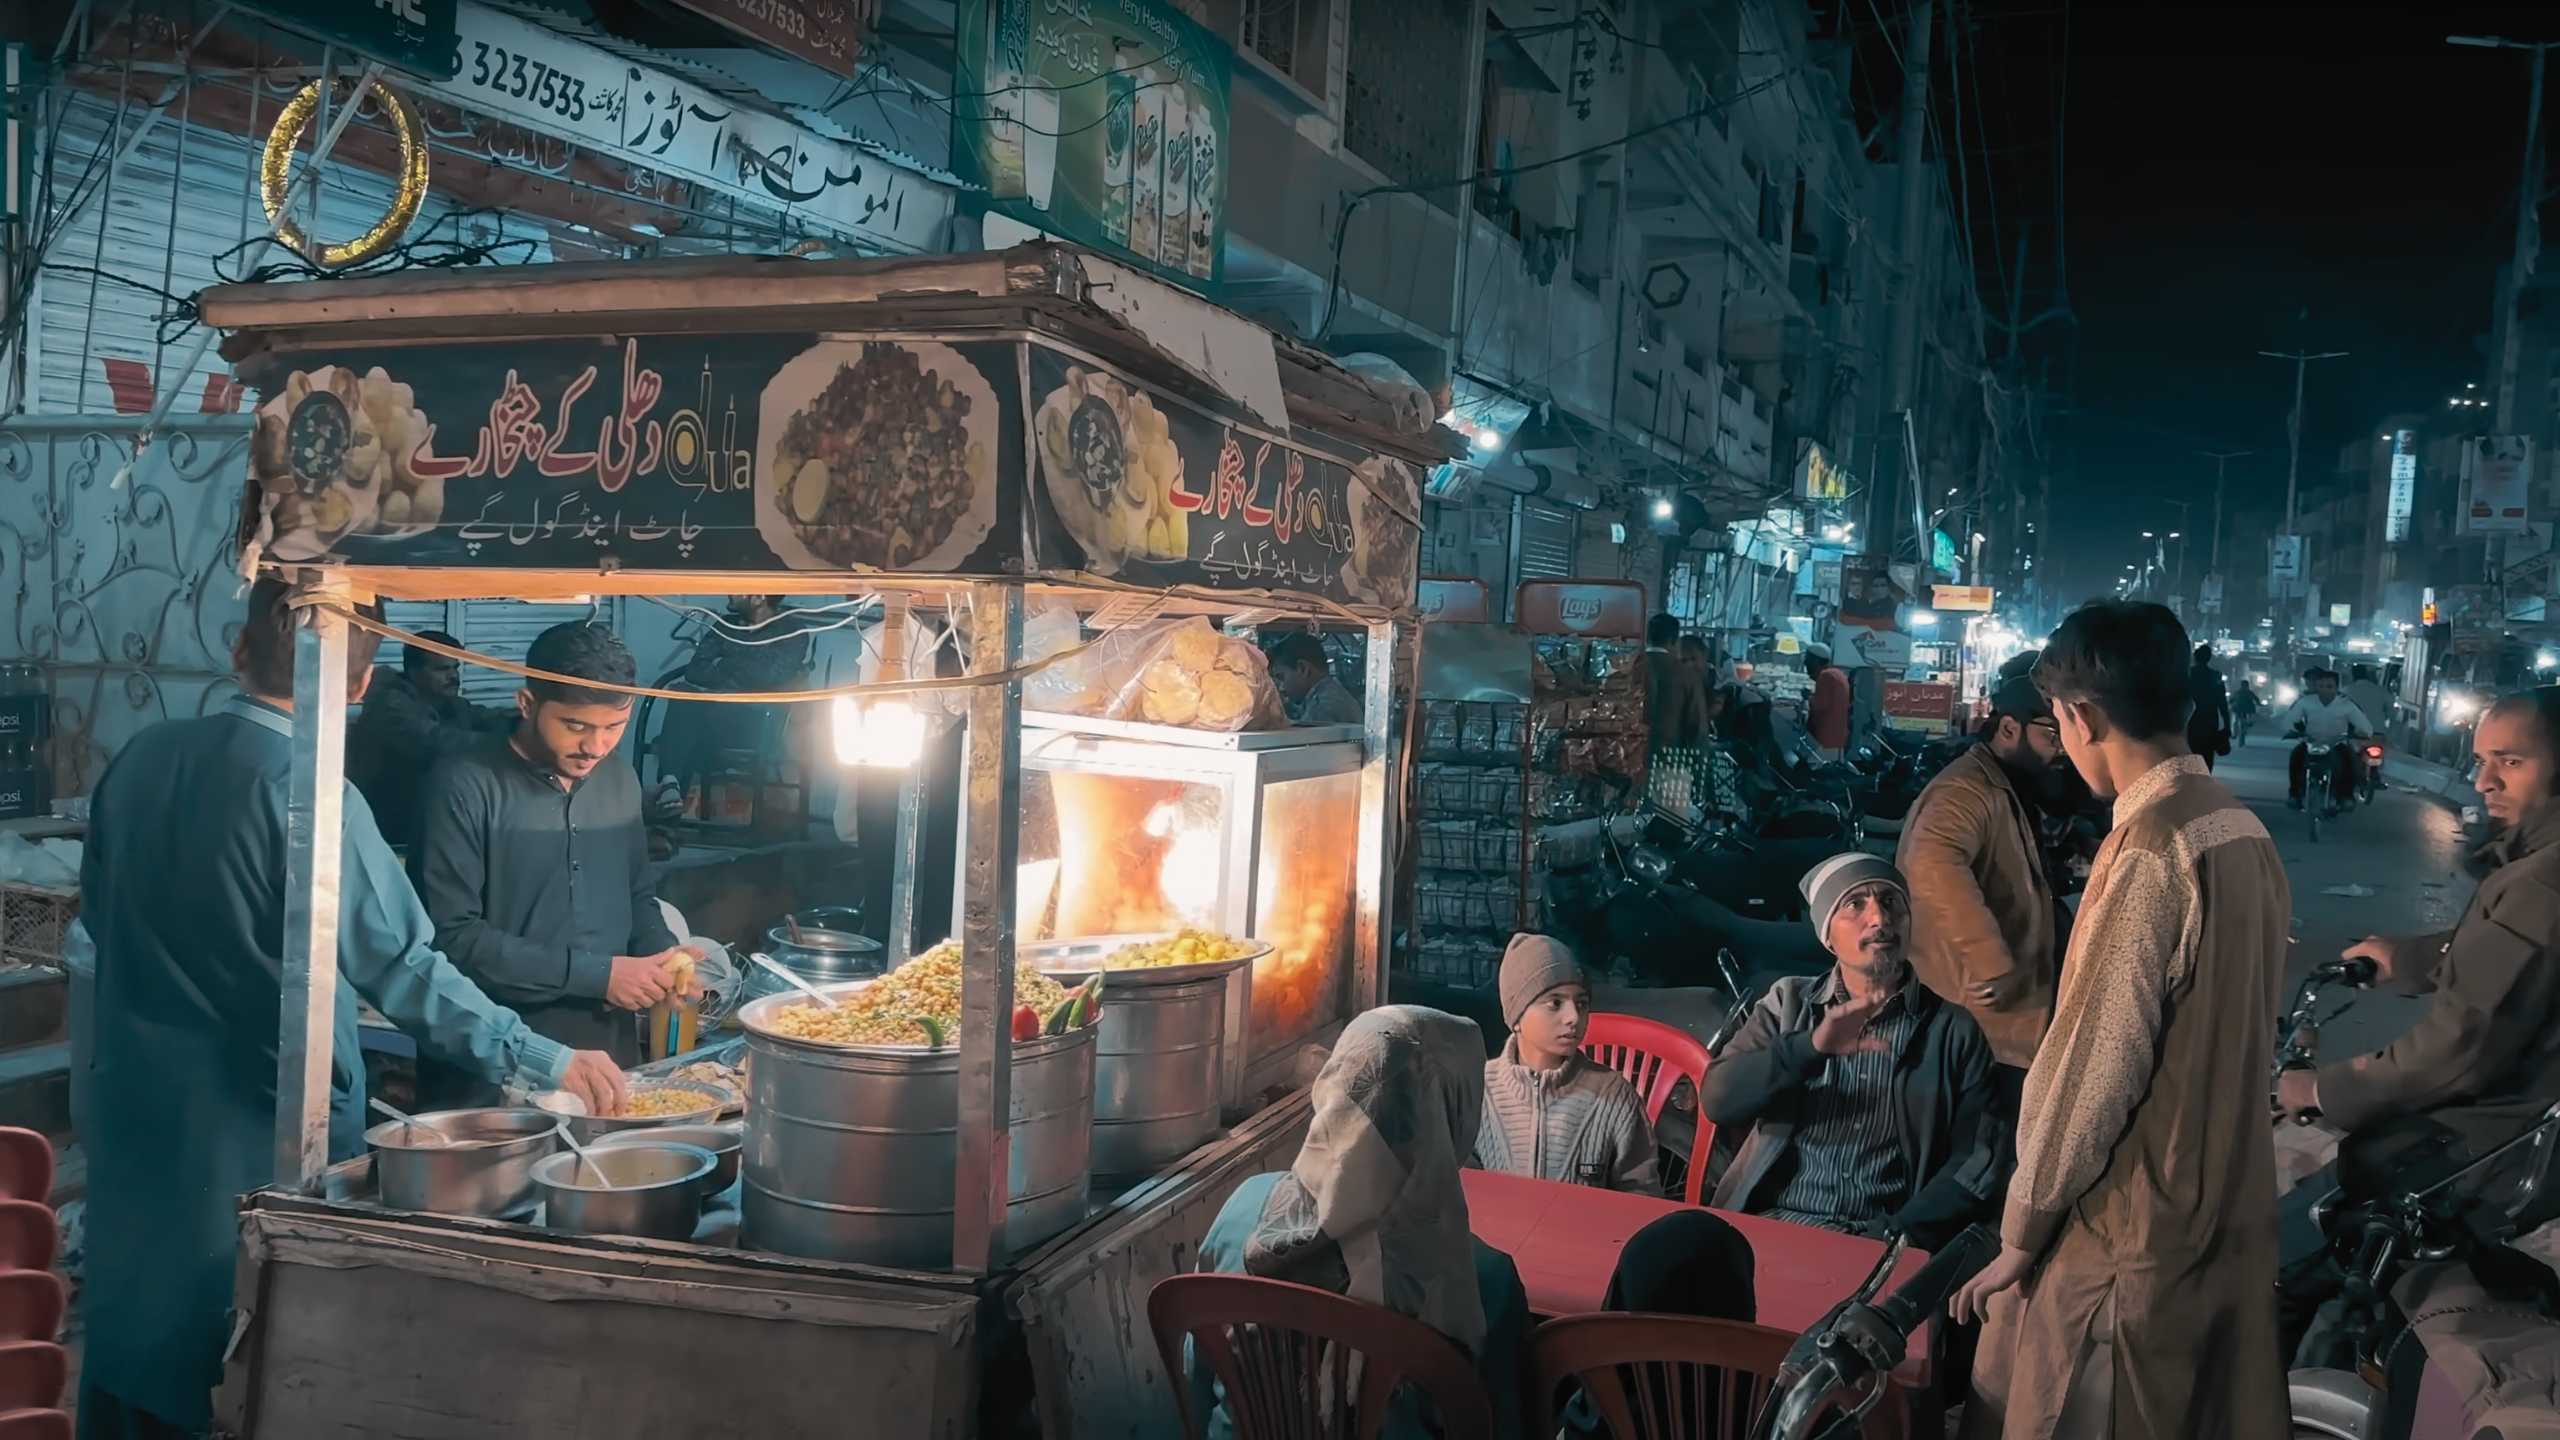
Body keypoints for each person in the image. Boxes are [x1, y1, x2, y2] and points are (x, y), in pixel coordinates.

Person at [75, 579, 626, 1439]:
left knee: (131, 1347)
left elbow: (99, 924)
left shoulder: (138, 760)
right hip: (257, 1134)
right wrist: (544, 1059)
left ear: (235, 650)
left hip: (134, 1117)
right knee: (235, 1362)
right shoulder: (315, 797)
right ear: (362, 687)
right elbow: (405, 967)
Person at [1950, 600, 2290, 1440]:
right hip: (2223, 1217)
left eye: (2061, 722)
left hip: (2130, 1237)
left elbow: (2096, 1067)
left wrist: (2022, 1232)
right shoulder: (2239, 829)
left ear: (2083, 715)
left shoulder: (2149, 849)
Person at [2275, 689, 2560, 1261]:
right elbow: (2514, 955)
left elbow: (2456, 1050)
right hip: (2513, 1133)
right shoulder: (2532, 867)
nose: (2484, 783)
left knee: (2283, 1245)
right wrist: (2412, 958)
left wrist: (2321, 1090)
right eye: (2481, 761)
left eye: (2511, 761)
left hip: (2492, 1147)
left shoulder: (2543, 880)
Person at [1191, 1005, 1528, 1440]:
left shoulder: (1242, 1209)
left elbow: (1198, 1372)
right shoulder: (1482, 1282)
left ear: (1335, 1087)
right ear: (1453, 1116)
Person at [412, 621, 693, 1107]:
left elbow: (636, 896)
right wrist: (601, 976)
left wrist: (665, 959)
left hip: (608, 1057)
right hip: (495, 1063)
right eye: (577, 726)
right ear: (527, 704)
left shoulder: (618, 780)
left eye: (614, 728)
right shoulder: (463, 785)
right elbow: (452, 938)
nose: (596, 747)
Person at [1700, 854, 1999, 1247]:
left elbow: (1975, 1162)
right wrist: (1810, 1047)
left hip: (1881, 1239)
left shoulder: (1952, 1030)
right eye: (1854, 904)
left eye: (1890, 902)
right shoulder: (1788, 1004)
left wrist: (1897, 1232)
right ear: (1828, 936)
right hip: (1772, 1223)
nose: (1879, 918)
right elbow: (1718, 1101)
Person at [1896, 671, 2065, 1081]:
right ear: (2010, 727)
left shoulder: (2006, 782)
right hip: (1983, 1011)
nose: (2063, 747)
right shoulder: (1966, 789)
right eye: (2051, 733)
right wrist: (1990, 962)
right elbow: (1932, 864)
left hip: (2008, 1005)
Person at [1471, 933, 1659, 1194]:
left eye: (1581, 1004)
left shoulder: (1614, 1096)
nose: (1573, 1017)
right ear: (1516, 1016)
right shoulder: (1477, 1092)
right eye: (1555, 1003)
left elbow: (1643, 1195)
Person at [346, 629, 507, 851]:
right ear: (413, 671)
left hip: (431, 826)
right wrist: (503, 746)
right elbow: (432, 741)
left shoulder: (450, 704)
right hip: (388, 834)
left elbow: (488, 717)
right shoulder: (390, 706)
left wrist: (530, 719)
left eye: (455, 667)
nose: (453, 676)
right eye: (442, 669)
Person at [2281, 668, 2373, 808]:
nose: (2325, 690)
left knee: (2350, 761)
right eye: (2321, 686)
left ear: (2337, 687)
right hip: (2311, 742)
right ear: (2316, 687)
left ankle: (2346, 797)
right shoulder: (2306, 702)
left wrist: (2362, 733)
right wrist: (2293, 731)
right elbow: (2290, 720)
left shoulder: (2346, 705)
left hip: (2337, 743)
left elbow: (2365, 726)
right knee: (2296, 757)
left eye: (2329, 686)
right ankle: (2294, 794)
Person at [1268, 631, 1361, 726]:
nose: (1281, 688)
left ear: (1303, 669)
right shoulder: (1331, 694)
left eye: (1281, 677)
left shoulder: (1321, 708)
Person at [1644, 613, 1697, 751]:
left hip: (1629, 756)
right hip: (1669, 756)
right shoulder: (1687, 674)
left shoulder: (1628, 666)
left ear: (1648, 637)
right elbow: (1696, 724)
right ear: (1674, 640)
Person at [2186, 643, 2231, 772]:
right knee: (2207, 756)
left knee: (2190, 755)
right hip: (2210, 722)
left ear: (2195, 658)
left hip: (2190, 721)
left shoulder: (2187, 674)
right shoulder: (2215, 677)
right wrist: (2227, 725)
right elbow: (2222, 703)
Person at [1805, 642, 1851, 759]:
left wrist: (1808, 697)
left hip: (1826, 736)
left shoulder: (1826, 676)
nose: (1805, 663)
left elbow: (1820, 706)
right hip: (1838, 735)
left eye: (1808, 660)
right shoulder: (1837, 673)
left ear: (1815, 661)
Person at [2344, 662, 2393, 743]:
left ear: (2352, 675)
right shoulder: (2381, 691)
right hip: (2377, 733)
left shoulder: (2345, 691)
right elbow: (2392, 712)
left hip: (2353, 734)